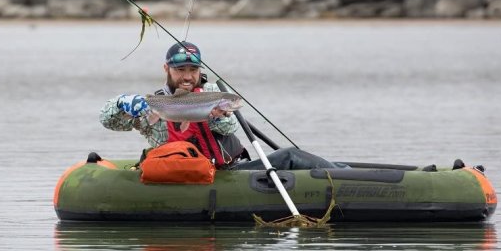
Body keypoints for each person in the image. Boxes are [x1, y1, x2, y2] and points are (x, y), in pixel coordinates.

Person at [99, 41, 338, 170]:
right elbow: (108, 121)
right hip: (180, 176)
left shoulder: (213, 93)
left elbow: (228, 130)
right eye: (180, 70)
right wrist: (122, 102)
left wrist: (216, 117)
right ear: (166, 69)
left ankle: (341, 172)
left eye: (193, 70)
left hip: (226, 170)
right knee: (289, 156)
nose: (187, 77)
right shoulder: (153, 104)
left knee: (289, 156)